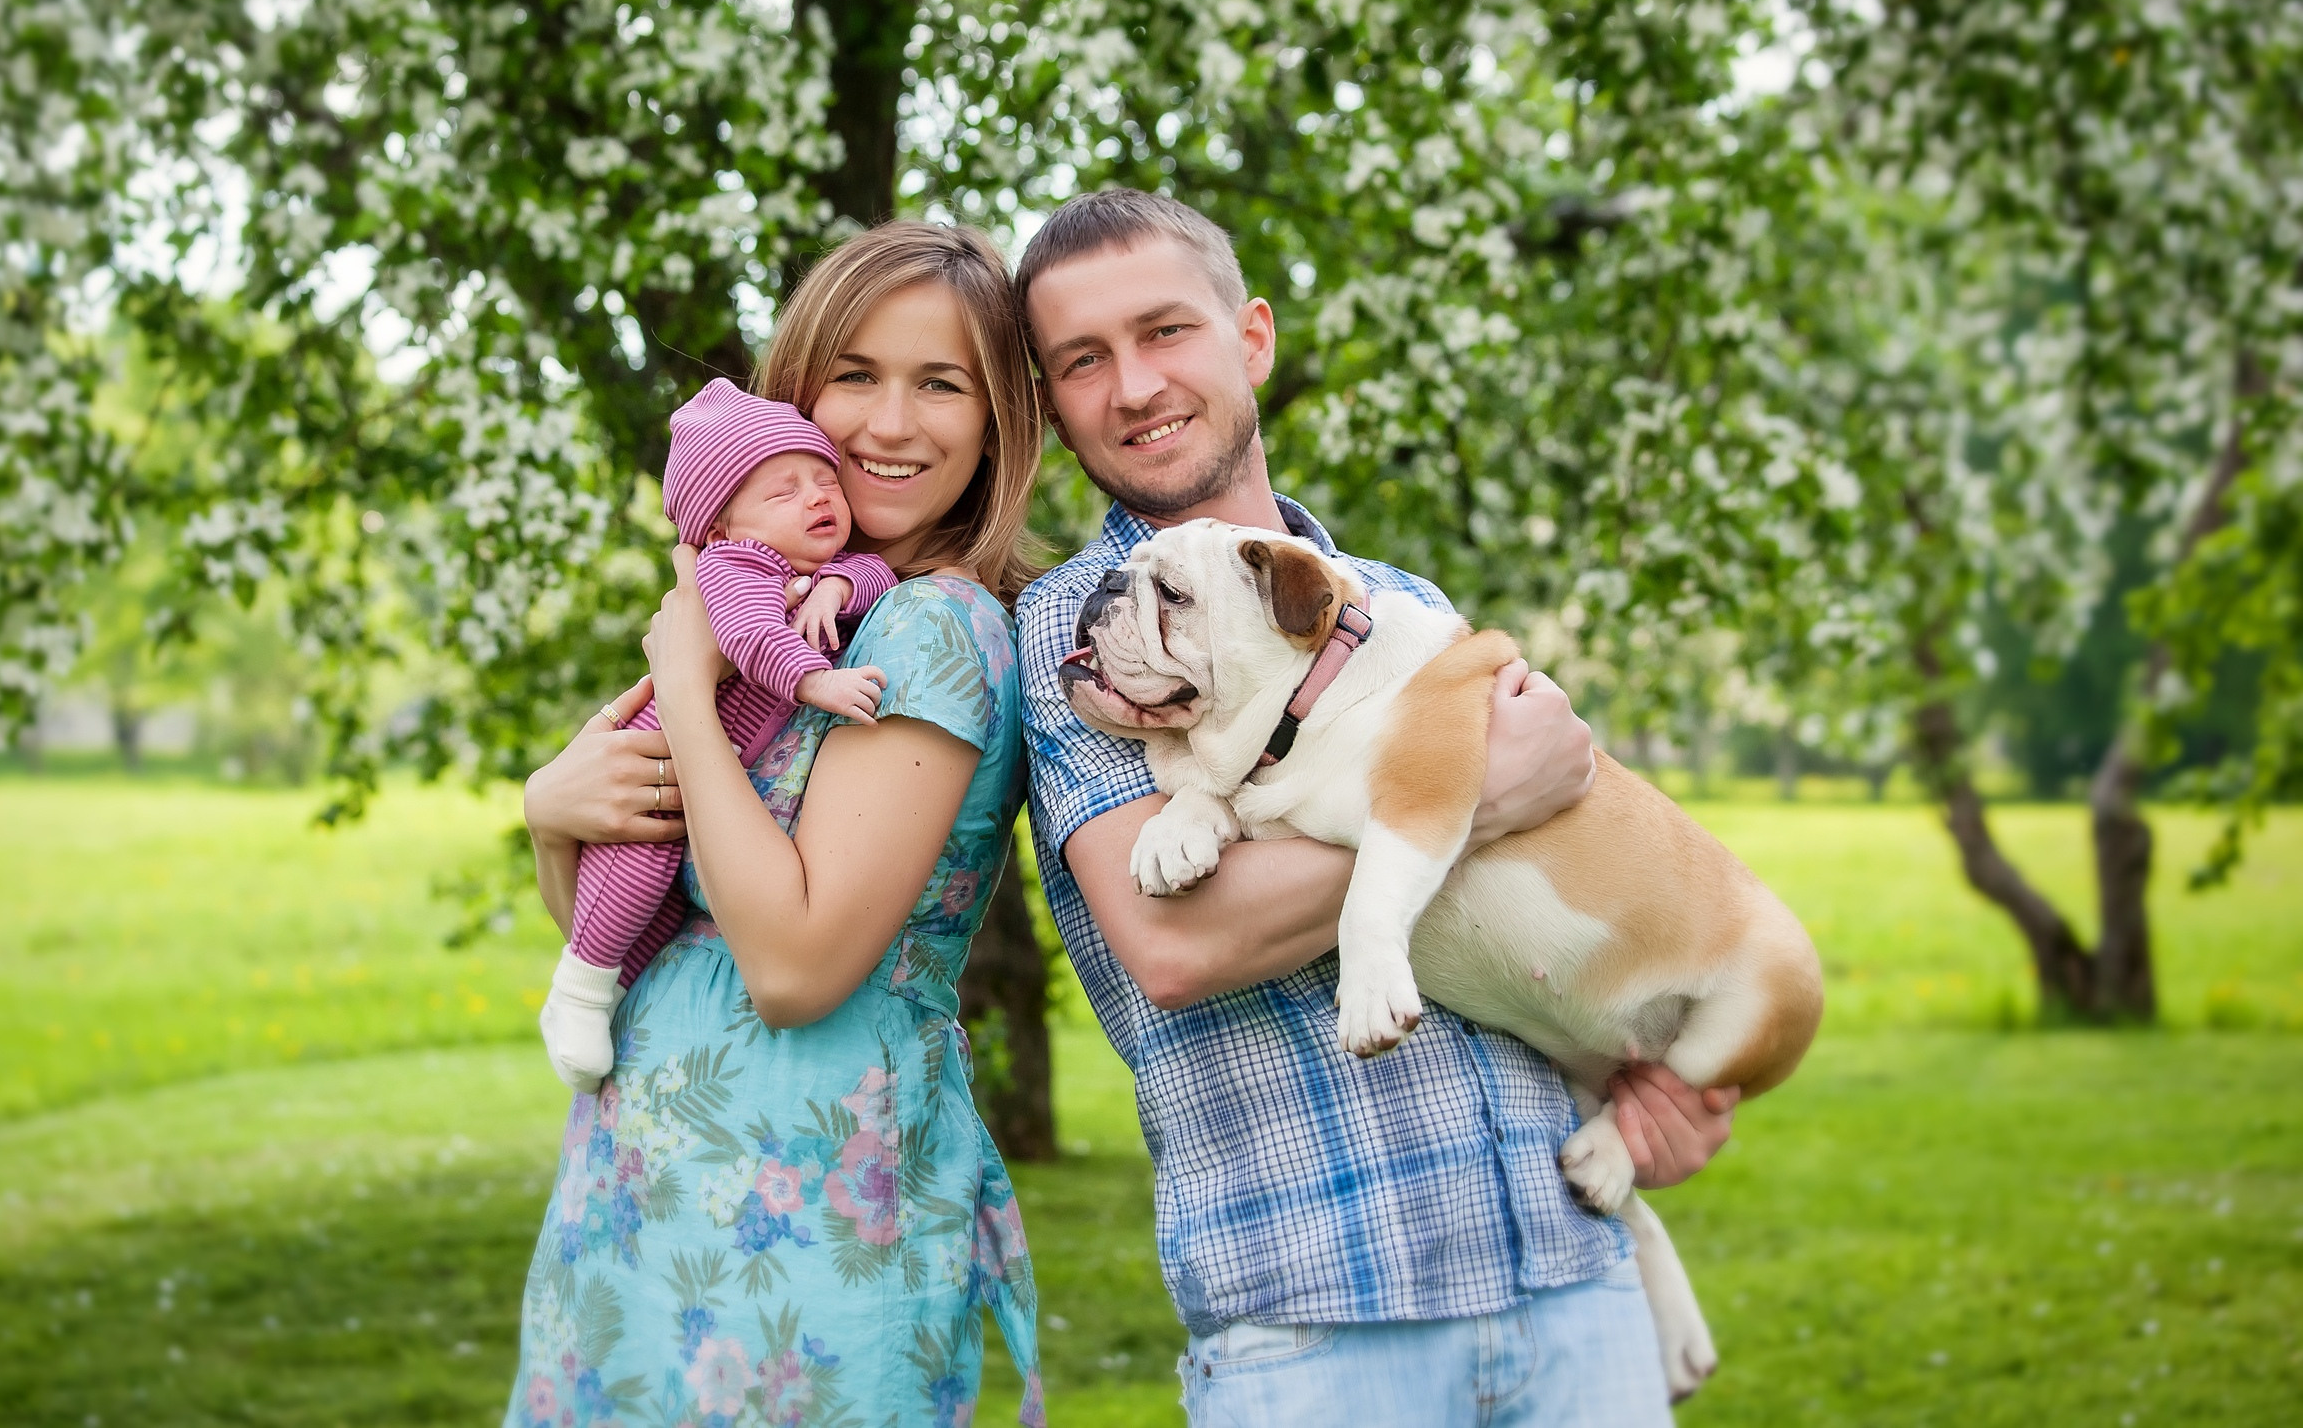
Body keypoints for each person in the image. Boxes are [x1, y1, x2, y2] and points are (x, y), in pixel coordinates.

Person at [1012, 188, 1737, 1425]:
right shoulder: (1079, 631)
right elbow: (1180, 942)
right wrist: (1487, 790)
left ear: (1251, 339)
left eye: (1164, 332)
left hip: (1569, 1279)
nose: (1132, 386)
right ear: (1052, 401)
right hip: (1317, 1322)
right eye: (1083, 361)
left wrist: (1655, 1085)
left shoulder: (1403, 598)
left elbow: (1540, 886)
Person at [504, 223, 1049, 1428]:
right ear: (794, 394)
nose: (889, 423)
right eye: (854, 375)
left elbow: (792, 968)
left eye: (940, 383)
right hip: (639, 1206)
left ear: (1001, 416)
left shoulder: (933, 631)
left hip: (796, 1241)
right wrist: (552, 820)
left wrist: (686, 694)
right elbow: (657, 945)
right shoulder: (790, 624)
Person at [542, 378, 899, 1092]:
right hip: (664, 759)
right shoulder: (734, 568)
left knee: (666, 912)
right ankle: (581, 986)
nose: (817, 498)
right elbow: (748, 633)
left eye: (824, 479)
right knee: (640, 867)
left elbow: (874, 569)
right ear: (723, 529)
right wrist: (814, 681)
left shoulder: (815, 565)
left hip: (714, 758)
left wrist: (836, 587)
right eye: (783, 492)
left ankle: (622, 993)